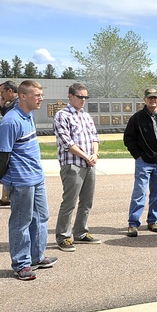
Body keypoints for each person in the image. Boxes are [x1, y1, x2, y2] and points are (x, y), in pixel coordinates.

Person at [0, 80, 56, 280]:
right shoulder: (11, 121)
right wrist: (3, 177)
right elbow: (1, 154)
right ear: (23, 96)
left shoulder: (28, 115)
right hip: (21, 181)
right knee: (21, 222)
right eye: (37, 95)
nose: (41, 98)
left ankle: (36, 257)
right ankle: (21, 264)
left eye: (41, 94)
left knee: (41, 217)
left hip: (37, 178)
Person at [53, 82, 101, 252]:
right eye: (80, 97)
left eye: (85, 97)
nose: (83, 100)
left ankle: (80, 232)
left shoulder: (87, 116)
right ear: (70, 96)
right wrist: (86, 156)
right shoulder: (62, 115)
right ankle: (63, 237)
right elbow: (67, 142)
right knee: (70, 202)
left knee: (87, 201)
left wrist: (94, 154)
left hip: (89, 164)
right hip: (73, 165)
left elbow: (95, 137)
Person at [124, 87, 157, 237]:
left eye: (155, 97)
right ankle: (133, 223)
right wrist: (138, 155)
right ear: (145, 100)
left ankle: (153, 221)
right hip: (144, 162)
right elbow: (129, 138)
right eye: (150, 98)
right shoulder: (137, 118)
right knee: (139, 192)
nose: (153, 100)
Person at [0, 80, 18, 207]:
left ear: (10, 91)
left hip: (13, 142)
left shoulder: (18, 104)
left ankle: (9, 198)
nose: (1, 95)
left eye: (2, 92)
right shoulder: (13, 103)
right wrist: (2, 106)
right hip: (12, 140)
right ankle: (5, 198)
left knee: (9, 167)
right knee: (8, 168)